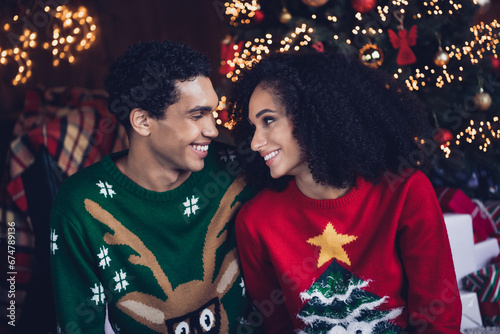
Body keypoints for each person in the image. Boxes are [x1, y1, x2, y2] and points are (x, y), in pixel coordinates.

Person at [229, 52, 462, 333]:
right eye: (253, 127)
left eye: (268, 120)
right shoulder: (255, 221)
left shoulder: (406, 192)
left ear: (314, 114)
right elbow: (277, 325)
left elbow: (438, 318)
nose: (255, 142)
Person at [50, 41, 255, 334]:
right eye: (197, 115)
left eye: (213, 113)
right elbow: (80, 326)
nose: (212, 129)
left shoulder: (238, 170)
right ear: (143, 121)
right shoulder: (81, 204)